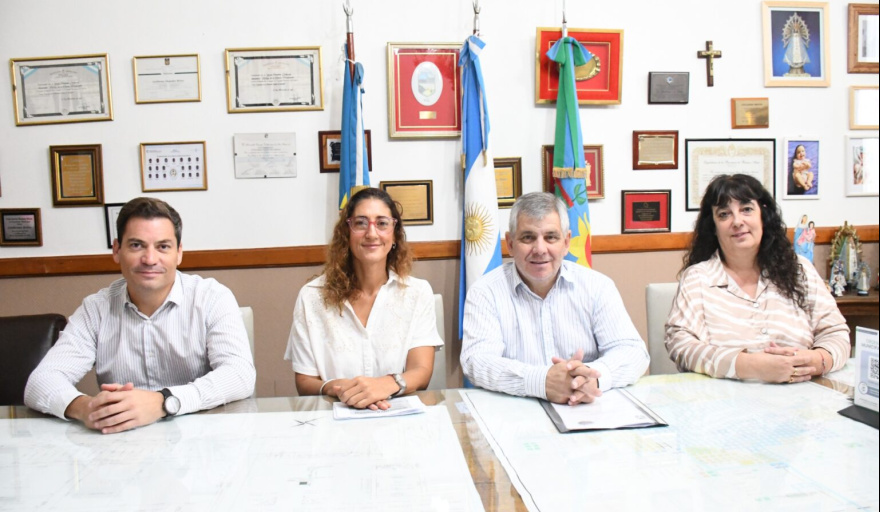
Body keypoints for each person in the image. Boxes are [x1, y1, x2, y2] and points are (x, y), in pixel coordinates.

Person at [24, 198, 256, 434]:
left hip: (202, 438)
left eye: (163, 247)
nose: (150, 259)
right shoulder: (96, 308)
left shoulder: (212, 298)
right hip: (120, 441)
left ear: (179, 253)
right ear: (117, 250)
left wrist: (163, 402)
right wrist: (87, 408)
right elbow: (41, 381)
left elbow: (239, 375)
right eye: (136, 245)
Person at [461, 192, 649, 405]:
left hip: (586, 408)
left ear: (566, 242)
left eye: (551, 237)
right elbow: (476, 361)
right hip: (516, 412)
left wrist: (591, 378)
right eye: (528, 237)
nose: (540, 249)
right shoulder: (485, 291)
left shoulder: (597, 286)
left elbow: (633, 352)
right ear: (510, 244)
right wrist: (541, 381)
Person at [665, 174, 849, 384]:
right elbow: (681, 345)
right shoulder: (698, 279)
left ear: (763, 216)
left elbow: (836, 332)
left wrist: (818, 360)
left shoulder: (800, 270)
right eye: (724, 214)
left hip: (804, 393)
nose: (737, 222)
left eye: (746, 209)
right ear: (713, 227)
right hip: (727, 399)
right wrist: (749, 366)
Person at [285, 187, 442, 410]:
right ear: (346, 234)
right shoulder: (311, 296)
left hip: (397, 418)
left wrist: (384, 386)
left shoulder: (417, 292)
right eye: (360, 223)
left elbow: (421, 371)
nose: (371, 233)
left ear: (394, 234)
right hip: (335, 419)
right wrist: (340, 389)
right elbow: (304, 381)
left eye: (382, 223)